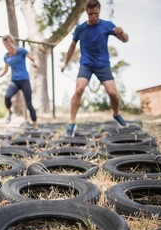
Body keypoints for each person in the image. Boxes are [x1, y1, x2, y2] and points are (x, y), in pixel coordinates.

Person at [61, 0, 129, 137]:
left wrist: (121, 33)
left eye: (96, 14)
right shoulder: (80, 28)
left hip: (103, 64)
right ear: (87, 12)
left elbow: (125, 39)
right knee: (79, 88)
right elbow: (72, 46)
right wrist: (65, 63)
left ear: (99, 11)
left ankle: (116, 114)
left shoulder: (107, 25)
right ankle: (71, 123)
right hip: (86, 63)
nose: (93, 17)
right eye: (90, 14)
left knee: (113, 94)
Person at [0, 34, 39, 129]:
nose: (8, 46)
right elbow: (5, 70)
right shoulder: (6, 57)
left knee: (29, 104)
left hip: (24, 80)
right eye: (5, 44)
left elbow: (32, 58)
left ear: (12, 42)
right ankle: (10, 112)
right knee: (7, 97)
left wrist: (35, 63)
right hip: (14, 81)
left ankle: (35, 124)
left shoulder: (21, 51)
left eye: (9, 43)